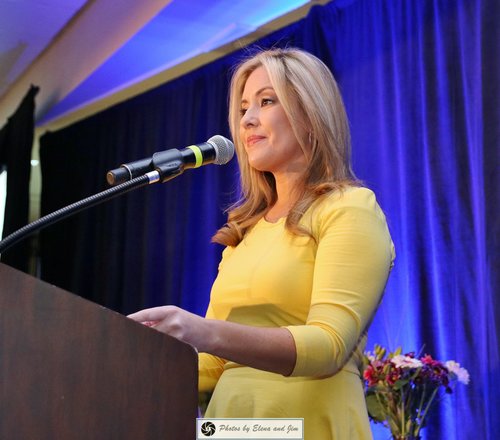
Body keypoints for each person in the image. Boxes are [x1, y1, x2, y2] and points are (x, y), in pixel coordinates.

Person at [128, 47, 395, 439]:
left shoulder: (349, 209)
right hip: (231, 427)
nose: (247, 119)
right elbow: (212, 367)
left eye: (266, 101)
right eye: (242, 108)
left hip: (311, 425)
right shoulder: (245, 234)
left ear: (310, 114)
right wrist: (128, 357)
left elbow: (329, 346)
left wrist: (200, 330)